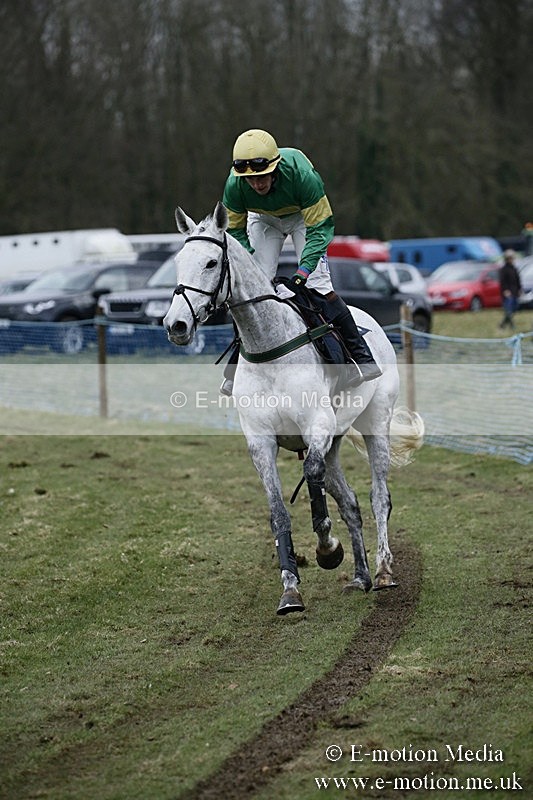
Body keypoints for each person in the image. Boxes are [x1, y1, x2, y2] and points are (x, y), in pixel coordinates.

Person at [220, 128, 382, 395]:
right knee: (254, 290)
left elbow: (321, 228)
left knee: (319, 285)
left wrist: (304, 270)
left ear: (274, 166)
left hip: (302, 218)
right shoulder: (234, 185)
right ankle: (236, 367)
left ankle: (360, 358)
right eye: (250, 180)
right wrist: (250, 258)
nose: (257, 185)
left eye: (261, 177)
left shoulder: (302, 176)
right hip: (262, 219)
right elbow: (235, 231)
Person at [499, 249, 522, 330]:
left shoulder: (514, 268)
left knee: (514, 309)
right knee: (508, 310)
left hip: (515, 292)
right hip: (508, 293)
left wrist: (519, 289)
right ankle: (511, 326)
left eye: (512, 258)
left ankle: (502, 324)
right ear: (506, 259)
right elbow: (502, 281)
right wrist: (505, 290)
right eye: (510, 258)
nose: (511, 259)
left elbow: (518, 280)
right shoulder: (504, 269)